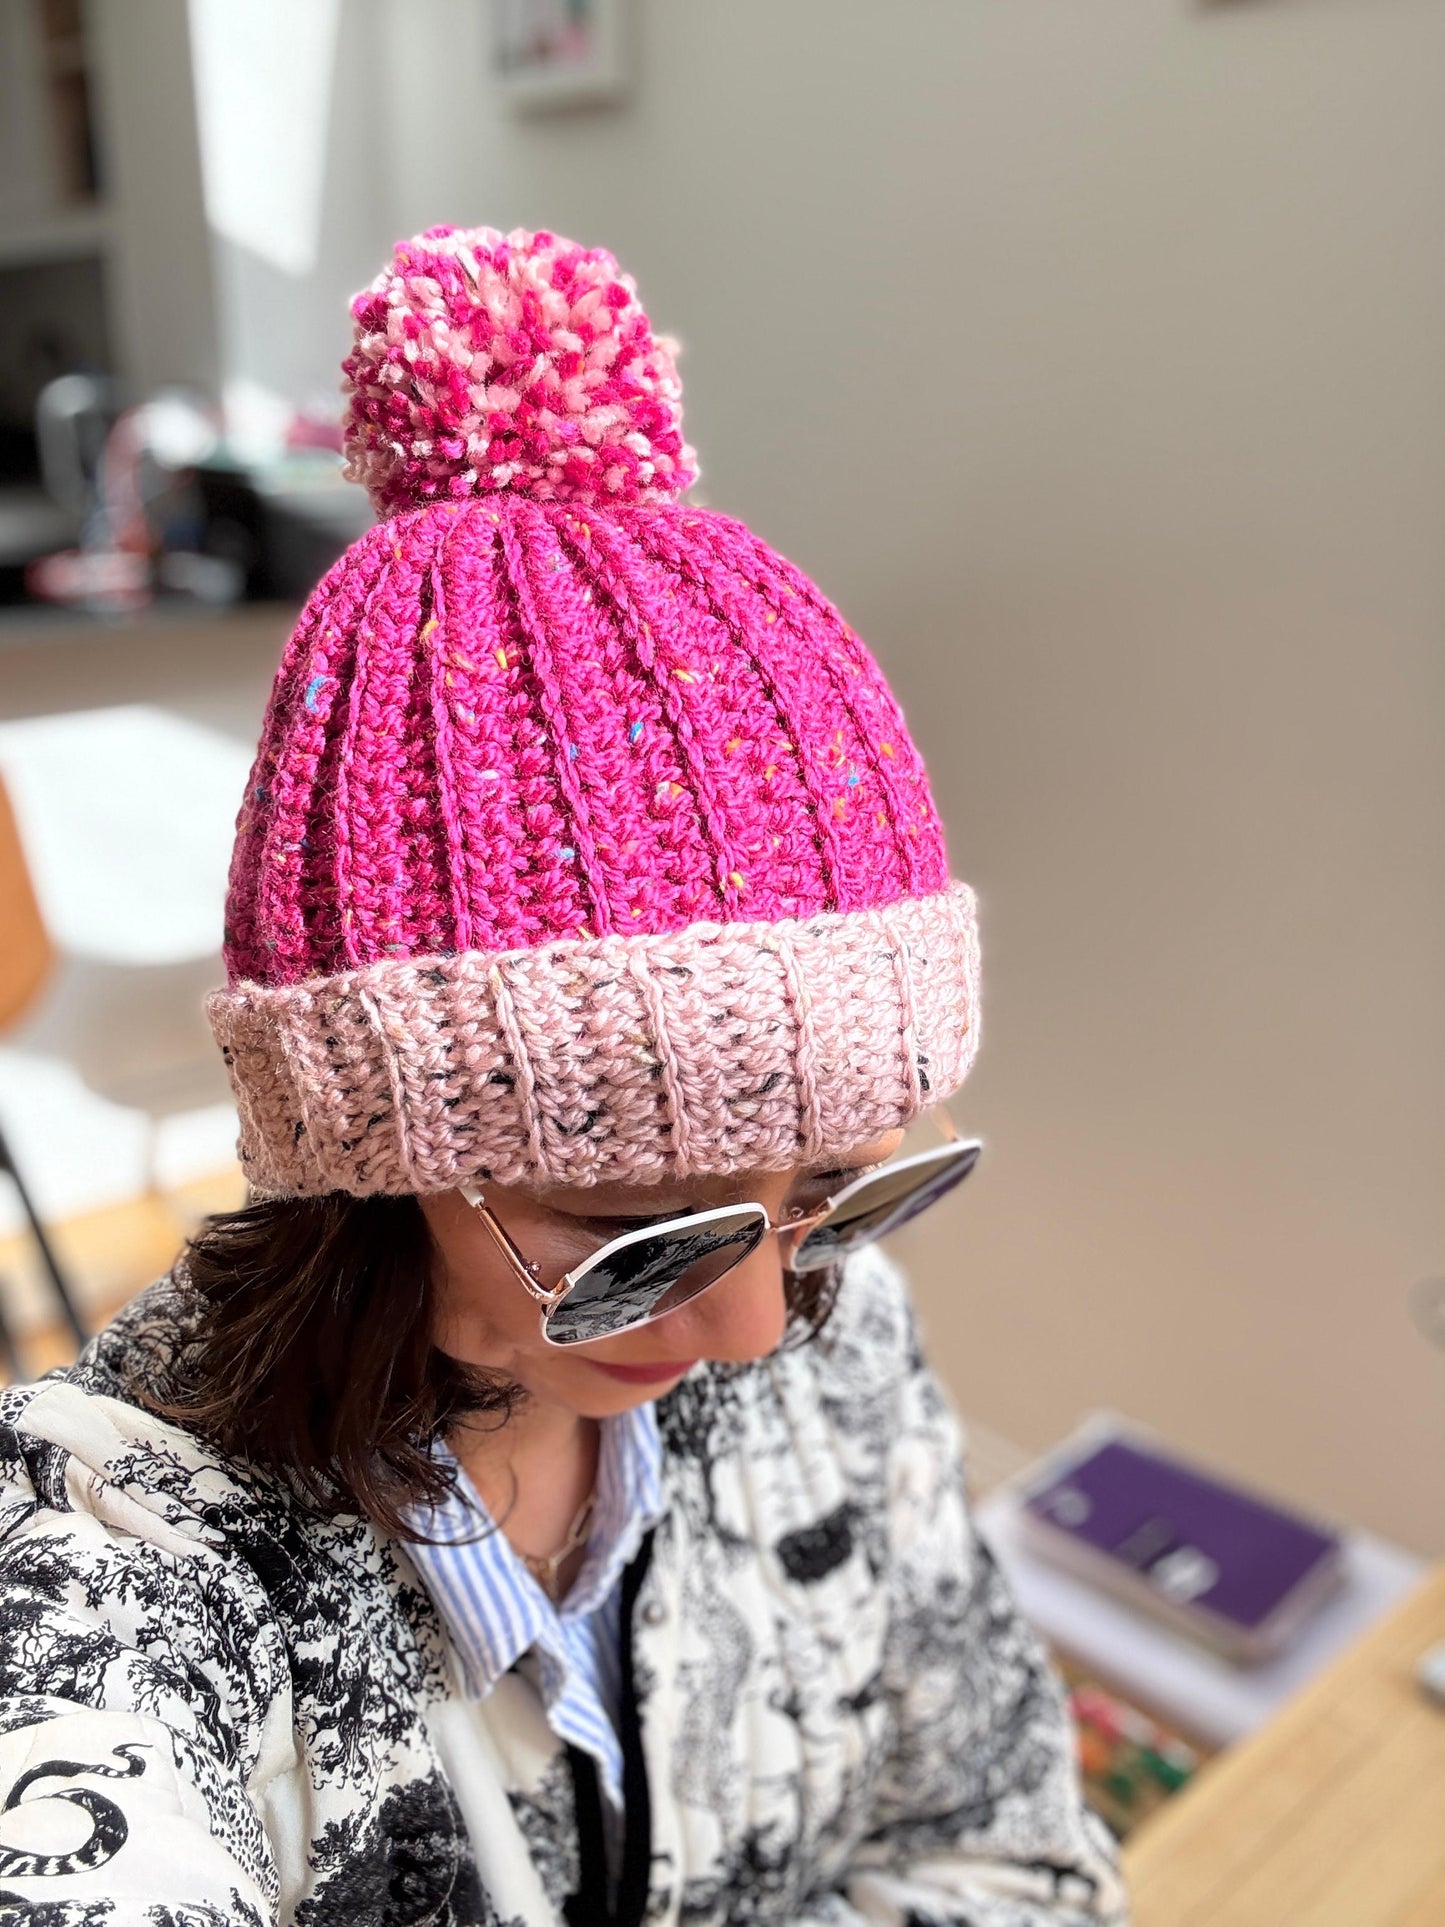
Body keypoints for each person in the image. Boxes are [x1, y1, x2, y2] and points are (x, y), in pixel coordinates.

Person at [0, 227, 1126, 1927]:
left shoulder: (840, 1327)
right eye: (632, 1232)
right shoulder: (114, 1580)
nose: (757, 1332)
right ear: (364, 1160)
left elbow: (1015, 1854)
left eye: (836, 1188)